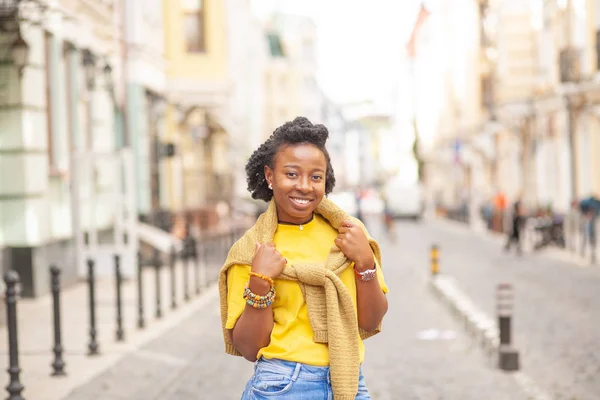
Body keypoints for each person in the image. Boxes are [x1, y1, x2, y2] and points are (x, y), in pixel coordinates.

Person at [218, 117, 389, 400]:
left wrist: (365, 263)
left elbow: (370, 321)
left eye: (316, 176)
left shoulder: (348, 234)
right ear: (270, 176)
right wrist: (260, 283)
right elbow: (249, 348)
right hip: (281, 386)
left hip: (348, 382)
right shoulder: (251, 249)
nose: (305, 186)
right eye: (292, 174)